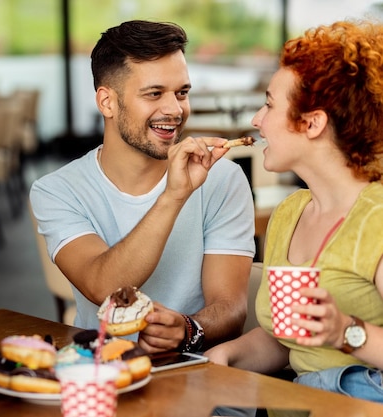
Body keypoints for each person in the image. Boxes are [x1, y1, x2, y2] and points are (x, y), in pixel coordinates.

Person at [29, 20, 255, 354]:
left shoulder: (223, 179)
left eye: (182, 93)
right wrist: (174, 195)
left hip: (201, 382)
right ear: (107, 102)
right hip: (103, 383)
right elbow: (104, 286)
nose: (175, 110)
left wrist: (189, 329)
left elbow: (231, 308)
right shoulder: (56, 190)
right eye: (154, 94)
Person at [205, 20, 383, 404]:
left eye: (269, 104)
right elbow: (290, 343)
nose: (257, 120)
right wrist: (224, 356)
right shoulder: (288, 214)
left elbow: (330, 341)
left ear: (312, 122)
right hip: (304, 402)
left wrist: (345, 332)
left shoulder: (377, 220)